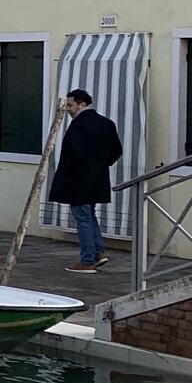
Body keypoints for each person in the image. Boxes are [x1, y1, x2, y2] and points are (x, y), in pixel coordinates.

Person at [51, 87, 123, 273]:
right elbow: (116, 150)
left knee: (82, 218)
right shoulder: (106, 123)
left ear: (82, 104)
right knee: (90, 215)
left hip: (79, 179)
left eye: (70, 105)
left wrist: (71, 174)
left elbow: (75, 153)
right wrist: (100, 164)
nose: (68, 109)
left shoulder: (78, 125)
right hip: (98, 178)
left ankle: (87, 260)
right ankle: (98, 252)